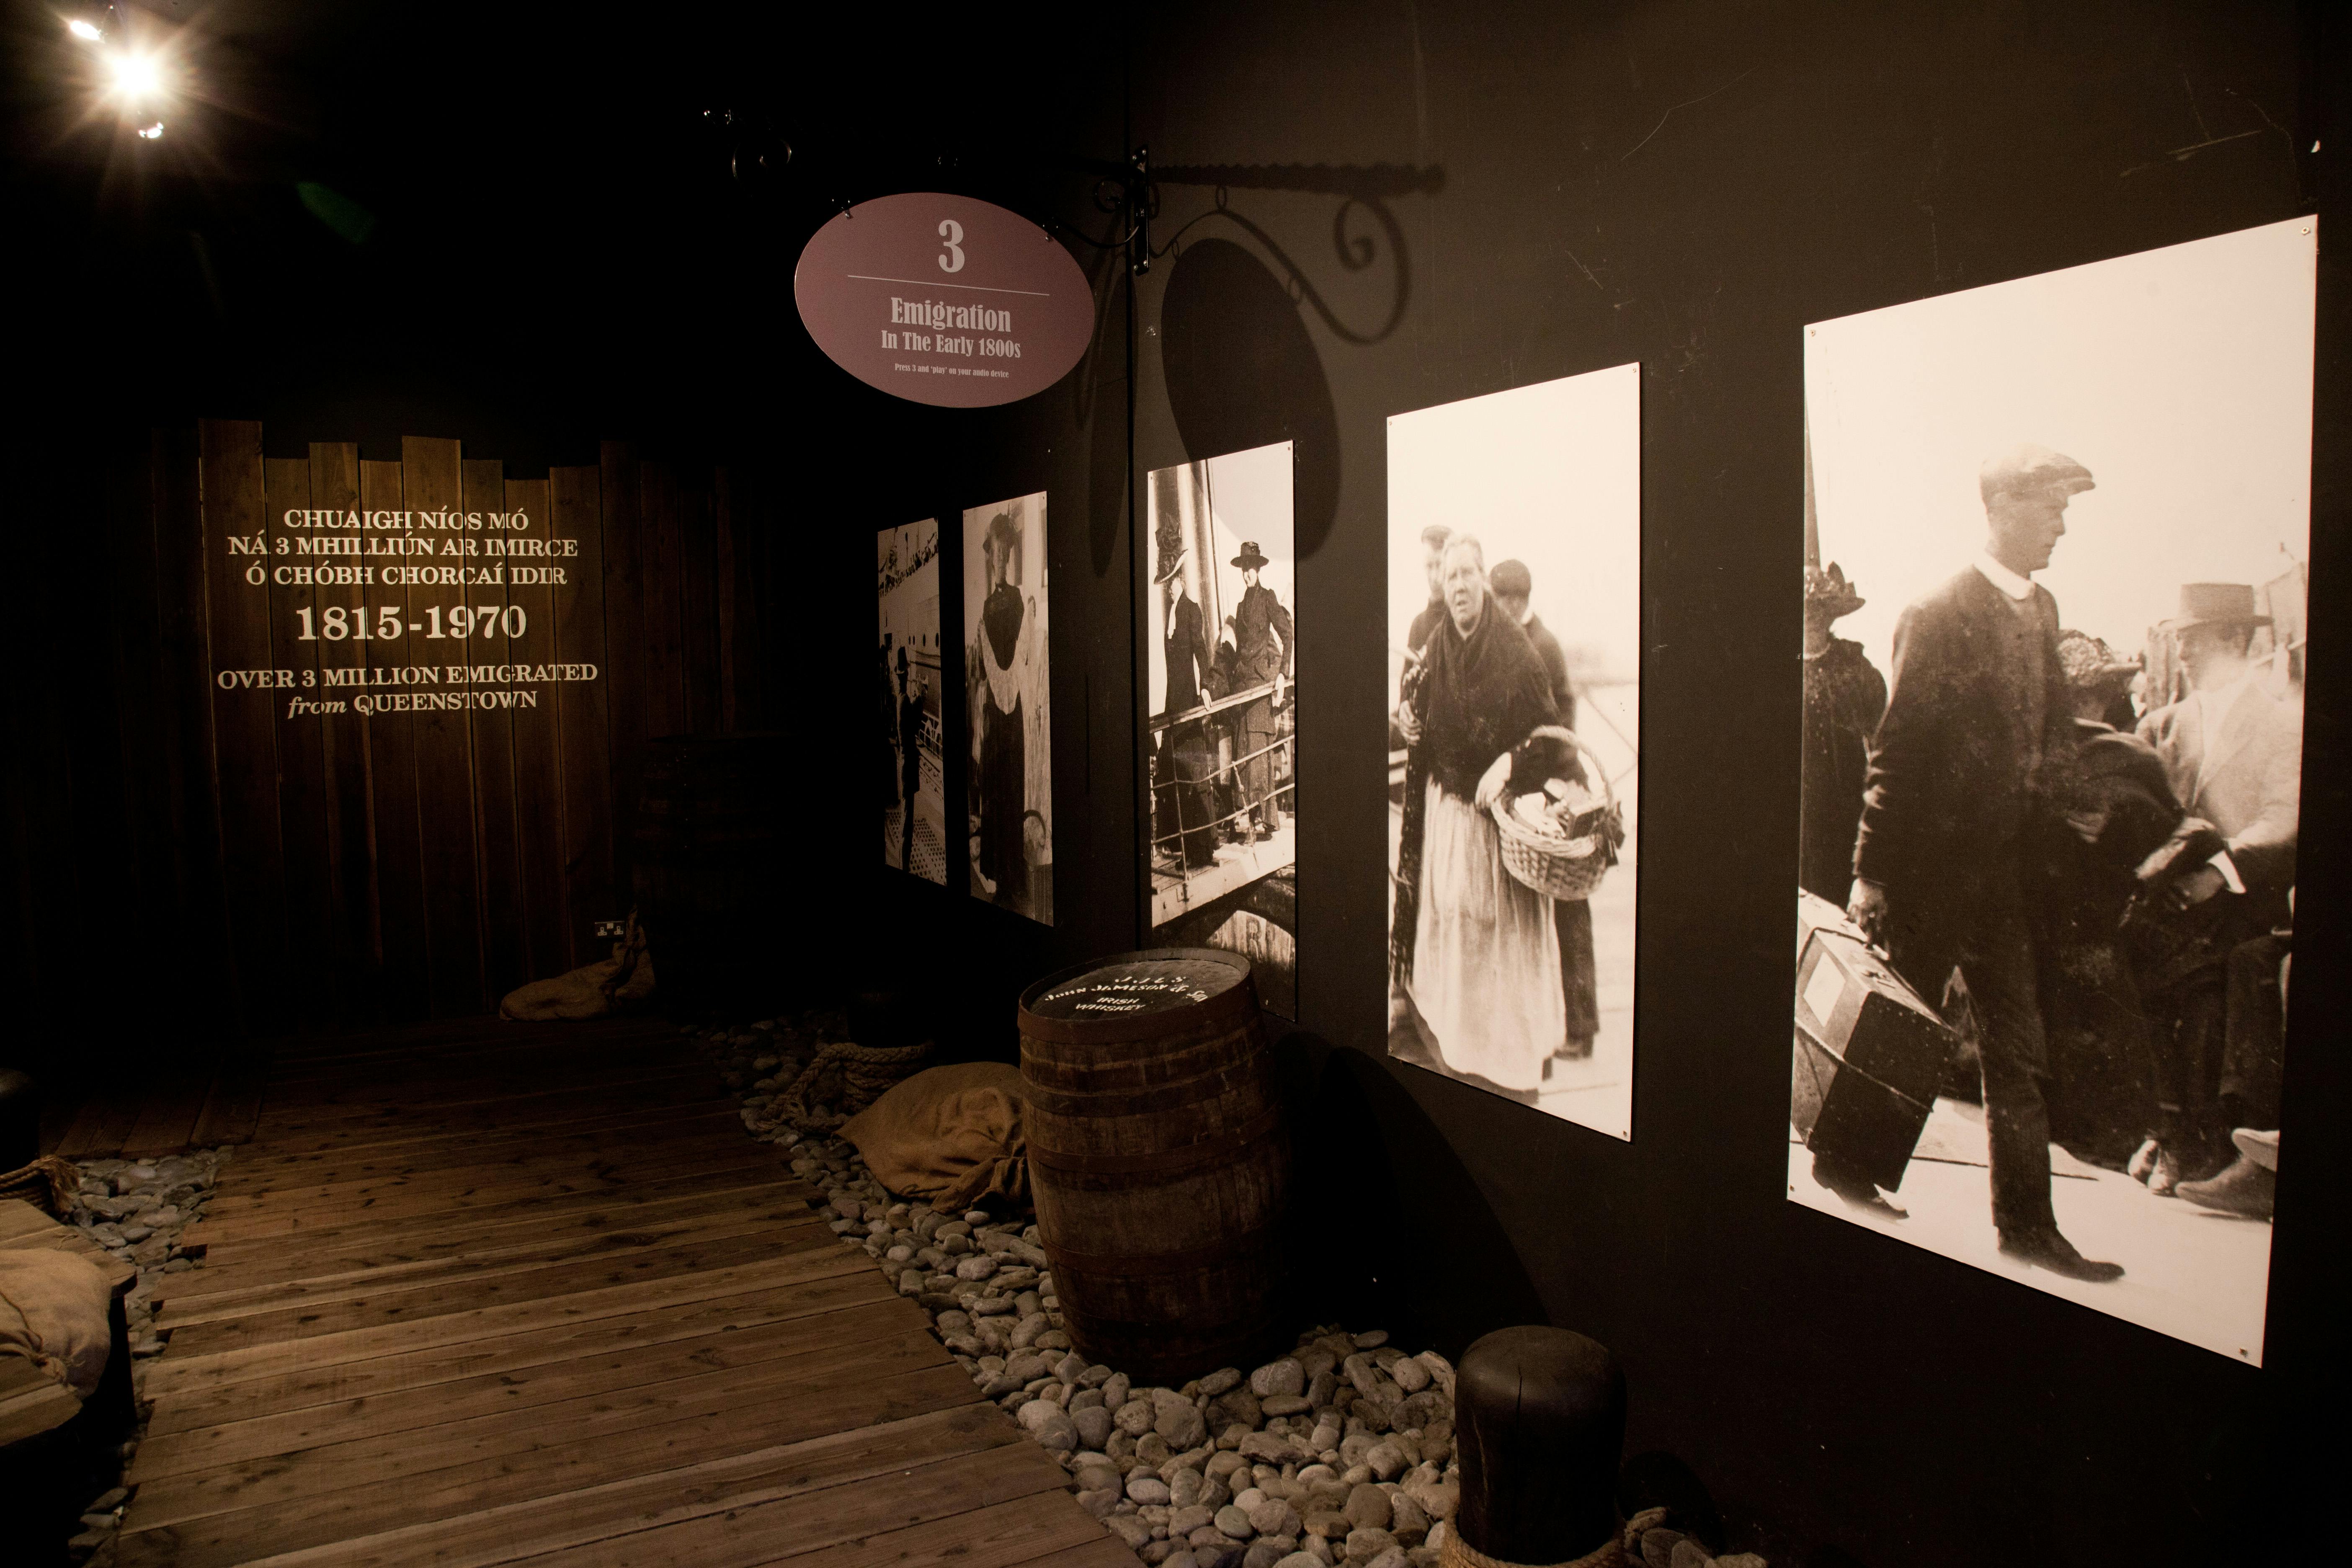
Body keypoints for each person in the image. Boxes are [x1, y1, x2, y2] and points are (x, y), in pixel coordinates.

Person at [1847, 443, 2122, 1282]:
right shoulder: (1937, 614)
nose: (2061, 525)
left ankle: (2028, 1226)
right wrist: (1871, 872)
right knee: (1903, 1033)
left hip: (2004, 880)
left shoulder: (2043, 610)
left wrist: (2086, 821)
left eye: (2066, 509)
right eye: (2050, 507)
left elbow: (2055, 737)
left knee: (2018, 1049)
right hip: (1928, 877)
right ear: (2001, 508)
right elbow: (1895, 754)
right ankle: (1847, 1169)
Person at [2129, 582, 2301, 1186]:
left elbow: (2282, 822)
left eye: (2194, 639)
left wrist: (2217, 873)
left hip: (2240, 902)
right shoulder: (2158, 726)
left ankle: (2197, 1143)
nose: (2181, 653)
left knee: (2204, 985)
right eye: (2178, 640)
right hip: (2161, 902)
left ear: (2235, 638)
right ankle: (2164, 1132)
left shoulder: (2284, 725)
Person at [1393, 535, 1570, 1100]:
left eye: (1468, 574)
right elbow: (1418, 712)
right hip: (1450, 820)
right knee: (1456, 928)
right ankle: (1458, 1048)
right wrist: (1409, 719)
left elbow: (1551, 737)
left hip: (1497, 829)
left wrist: (1512, 762)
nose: (1460, 587)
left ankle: (1506, 1064)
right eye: (1452, 578)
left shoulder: (1516, 651)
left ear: (1484, 580)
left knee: (1497, 938)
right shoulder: (1438, 644)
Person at [2029, 632, 2176, 1167]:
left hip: (2070, 915)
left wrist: (2111, 822)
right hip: (2079, 917)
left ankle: (2091, 1125)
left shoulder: (2110, 752)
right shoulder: (2124, 754)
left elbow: (2163, 828)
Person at [1491, 558, 1597, 1062]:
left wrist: (1533, 781)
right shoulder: (1513, 641)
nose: (1500, 610)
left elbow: (1559, 724)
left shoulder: (1542, 645)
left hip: (1559, 788)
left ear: (1518, 601)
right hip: (1534, 789)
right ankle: (1536, 1025)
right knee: (1531, 911)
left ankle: (1581, 1026)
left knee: (1570, 910)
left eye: (1504, 601)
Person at [1799, 563, 1886, 905]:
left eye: (1819, 610)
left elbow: (1883, 744)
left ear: (1831, 615)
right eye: (1806, 611)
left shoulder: (1855, 667)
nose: (1812, 619)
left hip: (1846, 810)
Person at [972, 512, 1037, 910]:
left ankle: (1014, 880)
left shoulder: (1015, 600)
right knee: (995, 793)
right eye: (995, 553)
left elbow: (1018, 656)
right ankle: (1000, 878)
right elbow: (983, 669)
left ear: (1009, 557)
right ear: (991, 557)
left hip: (1011, 715)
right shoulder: (986, 606)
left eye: (1004, 553)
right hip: (996, 717)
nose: (1000, 559)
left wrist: (1002, 686)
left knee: (1012, 790)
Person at [1156, 551, 1218, 870]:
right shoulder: (1171, 613)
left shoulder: (1191, 610)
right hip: (1173, 705)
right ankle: (1182, 846)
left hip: (1187, 705)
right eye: (1166, 584)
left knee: (1193, 774)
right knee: (1171, 773)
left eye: (1172, 582)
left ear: (1181, 579)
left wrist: (1206, 687)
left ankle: (1201, 850)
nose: (1169, 588)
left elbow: (1202, 652)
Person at [1229, 542, 1295, 841]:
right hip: (1242, 689)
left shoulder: (1268, 598)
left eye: (1251, 568)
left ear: (1258, 569)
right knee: (1244, 755)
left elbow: (1287, 635)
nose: (1247, 574)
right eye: (1244, 569)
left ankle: (1264, 822)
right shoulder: (1241, 607)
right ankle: (1248, 818)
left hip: (1260, 686)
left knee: (1259, 755)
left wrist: (1282, 674)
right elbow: (1239, 650)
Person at [897, 649, 923, 876]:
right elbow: (913, 727)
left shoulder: (899, 698)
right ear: (905, 676)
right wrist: (921, 698)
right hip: (909, 768)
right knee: (908, 824)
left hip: (904, 764)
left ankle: (901, 863)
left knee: (906, 820)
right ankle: (903, 866)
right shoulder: (905, 701)